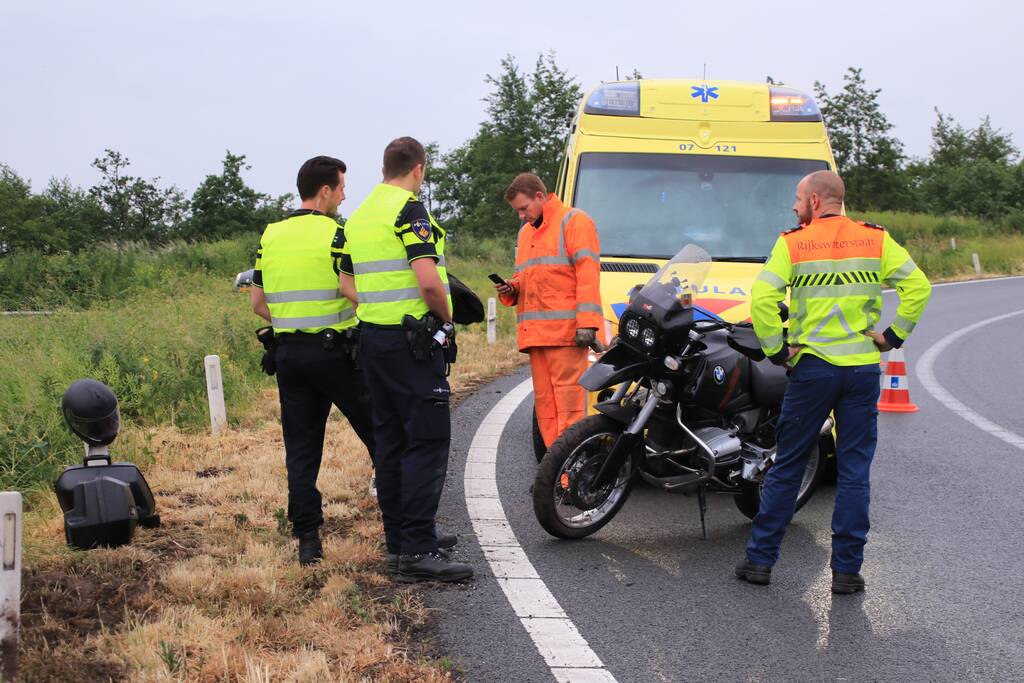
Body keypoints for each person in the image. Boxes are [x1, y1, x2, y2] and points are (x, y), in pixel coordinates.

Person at [735, 170, 931, 593]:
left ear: (817, 201)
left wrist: (775, 350)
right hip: (861, 371)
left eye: (798, 198)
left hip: (813, 370)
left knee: (787, 465)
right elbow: (918, 287)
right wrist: (893, 336)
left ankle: (760, 562)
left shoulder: (793, 242)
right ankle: (846, 572)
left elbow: (763, 299)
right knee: (855, 471)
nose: (794, 205)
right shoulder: (875, 240)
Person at [340, 137, 472, 583]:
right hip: (412, 342)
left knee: (392, 442)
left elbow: (350, 281)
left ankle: (401, 540)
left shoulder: (359, 217)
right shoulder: (409, 210)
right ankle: (419, 549)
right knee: (427, 441)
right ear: (418, 169)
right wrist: (446, 320)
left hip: (373, 340)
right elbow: (429, 282)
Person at [250, 155, 376, 566]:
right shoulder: (339, 234)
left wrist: (294, 322)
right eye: (341, 188)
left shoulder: (270, 235)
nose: (343, 195)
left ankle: (308, 540)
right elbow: (354, 291)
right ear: (325, 191)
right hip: (335, 353)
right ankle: (401, 526)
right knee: (380, 433)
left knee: (301, 450)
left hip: (288, 355)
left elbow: (257, 303)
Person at [494, 173, 604, 449]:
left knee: (569, 408)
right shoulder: (526, 232)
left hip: (566, 336)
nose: (521, 216)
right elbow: (526, 278)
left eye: (523, 208)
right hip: (536, 337)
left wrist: (588, 324)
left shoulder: (574, 221)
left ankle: (571, 474)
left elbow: (588, 274)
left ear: (540, 197)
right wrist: (512, 288)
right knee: (546, 408)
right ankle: (556, 472)